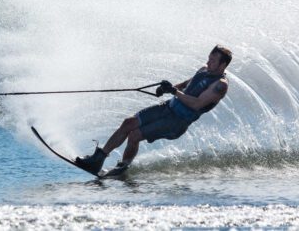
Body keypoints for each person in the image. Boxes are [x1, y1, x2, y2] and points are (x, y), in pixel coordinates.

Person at [76, 45, 232, 176]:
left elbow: (197, 104)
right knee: (129, 123)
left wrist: (174, 92)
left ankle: (122, 168)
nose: (208, 62)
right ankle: (98, 159)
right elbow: (188, 84)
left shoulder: (220, 85)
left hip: (176, 122)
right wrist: (168, 88)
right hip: (168, 108)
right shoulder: (204, 69)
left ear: (223, 65)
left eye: (213, 61)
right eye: (209, 58)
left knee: (135, 135)